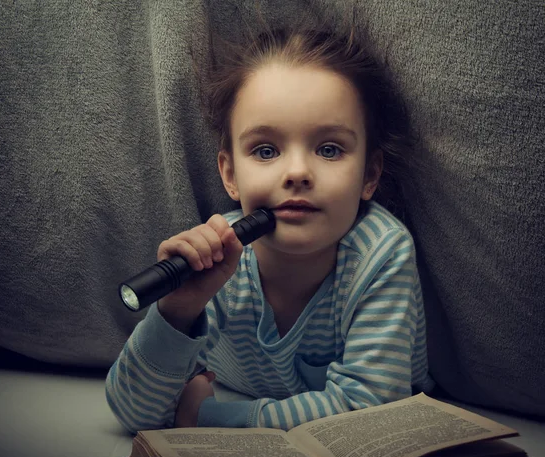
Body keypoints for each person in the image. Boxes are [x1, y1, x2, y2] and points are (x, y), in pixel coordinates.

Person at [106, 17, 435, 434]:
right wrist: (178, 310)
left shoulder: (382, 253)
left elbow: (369, 411)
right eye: (265, 151)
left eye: (329, 149)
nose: (296, 172)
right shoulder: (219, 261)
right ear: (230, 175)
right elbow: (132, 412)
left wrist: (206, 418)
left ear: (369, 175)